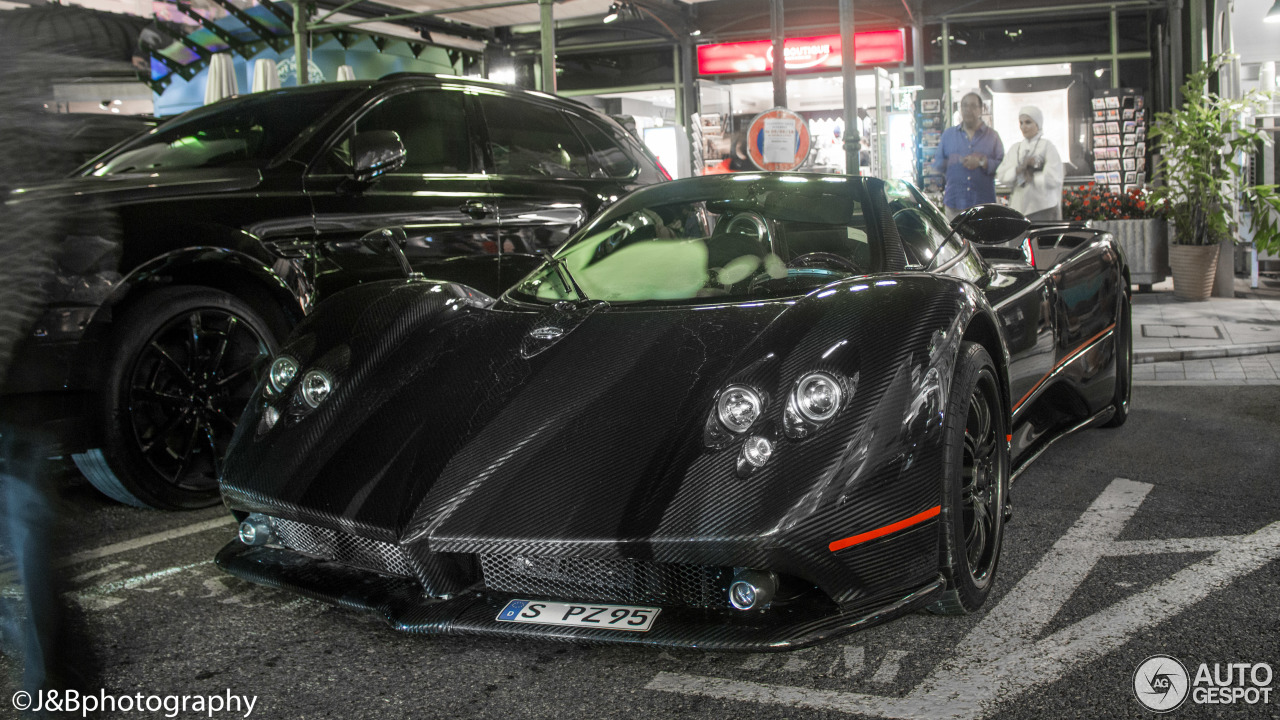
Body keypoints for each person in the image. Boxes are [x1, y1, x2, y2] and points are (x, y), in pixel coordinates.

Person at [932, 92, 1005, 220]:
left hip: (984, 206)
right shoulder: (948, 135)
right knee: (956, 240)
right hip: (954, 203)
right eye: (964, 106)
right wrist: (951, 161)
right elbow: (937, 165)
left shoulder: (993, 136)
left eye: (972, 106)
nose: (968, 110)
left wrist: (982, 162)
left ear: (981, 110)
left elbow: (1002, 166)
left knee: (983, 240)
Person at [996, 105, 1064, 221]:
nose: (1023, 127)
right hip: (1019, 208)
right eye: (1021, 123)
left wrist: (1033, 177)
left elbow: (1055, 178)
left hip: (1044, 207)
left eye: (1028, 122)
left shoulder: (1047, 146)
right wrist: (1019, 169)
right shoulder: (1015, 148)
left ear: (1037, 124)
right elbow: (1001, 175)